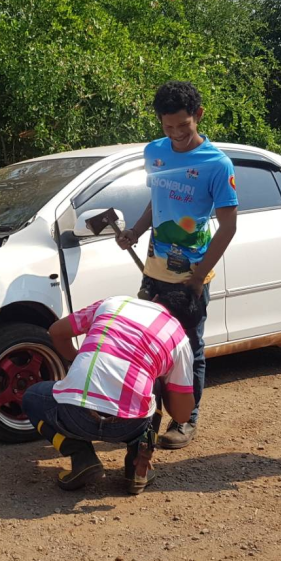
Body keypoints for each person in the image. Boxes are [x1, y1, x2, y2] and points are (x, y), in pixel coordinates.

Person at [115, 80, 238, 450]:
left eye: (183, 126)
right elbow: (158, 198)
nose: (177, 135)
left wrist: (199, 276)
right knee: (148, 345)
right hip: (153, 271)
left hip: (191, 276)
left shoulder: (217, 163)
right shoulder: (154, 152)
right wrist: (134, 231)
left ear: (198, 116)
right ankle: (145, 417)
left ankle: (185, 421)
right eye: (168, 128)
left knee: (188, 349)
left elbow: (229, 226)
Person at [20, 289, 203, 494]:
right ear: (187, 324)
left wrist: (81, 360)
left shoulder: (115, 303)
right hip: (129, 425)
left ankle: (81, 457)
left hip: (75, 416)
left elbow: (56, 332)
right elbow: (182, 415)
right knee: (156, 385)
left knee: (32, 397)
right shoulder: (179, 338)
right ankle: (137, 466)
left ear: (155, 298)